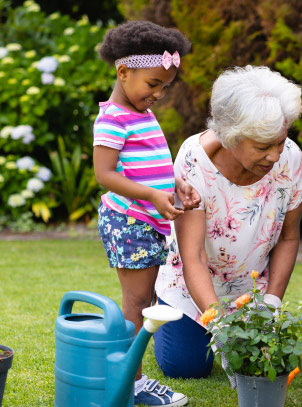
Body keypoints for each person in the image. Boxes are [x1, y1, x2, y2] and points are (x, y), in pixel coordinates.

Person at [153, 65, 302, 385]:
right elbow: (192, 257)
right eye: (263, 146)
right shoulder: (194, 160)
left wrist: (272, 303)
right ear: (231, 137)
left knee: (265, 362)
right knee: (186, 366)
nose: (275, 155)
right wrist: (221, 327)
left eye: (279, 141)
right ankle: (166, 311)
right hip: (191, 285)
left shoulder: (290, 158)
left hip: (252, 292)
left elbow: (289, 238)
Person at [93, 20, 197, 407]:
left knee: (146, 298)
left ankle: (131, 377)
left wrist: (174, 184)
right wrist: (153, 194)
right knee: (136, 304)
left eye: (165, 87)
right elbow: (104, 174)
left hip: (145, 220)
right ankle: (131, 384)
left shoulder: (141, 112)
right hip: (128, 222)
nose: (159, 94)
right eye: (153, 84)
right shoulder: (113, 118)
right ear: (123, 72)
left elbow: (148, 162)